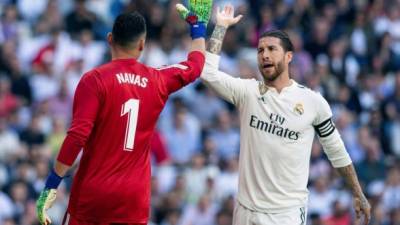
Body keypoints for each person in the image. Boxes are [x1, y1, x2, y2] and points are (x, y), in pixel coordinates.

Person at [35, 0, 213, 224]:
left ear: (110, 39)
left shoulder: (94, 80)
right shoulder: (158, 79)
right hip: (133, 196)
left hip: (93, 192)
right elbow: (195, 66)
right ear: (142, 45)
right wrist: (198, 29)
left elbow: (78, 135)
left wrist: (52, 183)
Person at [201, 5, 371, 225]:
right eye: (260, 51)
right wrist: (221, 27)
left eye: (272, 49)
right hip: (245, 211)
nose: (265, 55)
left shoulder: (313, 102)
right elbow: (207, 74)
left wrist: (357, 192)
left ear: (289, 56)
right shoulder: (248, 92)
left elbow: (336, 151)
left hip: (286, 214)